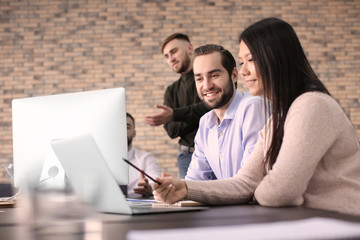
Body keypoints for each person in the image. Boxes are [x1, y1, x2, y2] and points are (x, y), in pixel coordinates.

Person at [153, 18, 360, 216]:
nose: (244, 72)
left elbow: (279, 191)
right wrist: (184, 188)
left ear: (277, 58)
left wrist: (256, 192)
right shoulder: (277, 119)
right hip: (310, 222)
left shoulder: (311, 104)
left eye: (251, 60)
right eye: (242, 62)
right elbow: (245, 183)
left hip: (341, 223)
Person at [185, 44, 268, 180]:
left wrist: (187, 189)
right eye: (199, 79)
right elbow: (194, 179)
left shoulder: (252, 107)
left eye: (214, 75)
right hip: (231, 200)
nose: (206, 86)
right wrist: (172, 189)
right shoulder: (205, 122)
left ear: (234, 75)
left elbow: (250, 181)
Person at [145, 33, 210, 179]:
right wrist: (197, 114)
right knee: (189, 201)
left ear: (190, 48)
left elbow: (210, 107)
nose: (171, 59)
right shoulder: (171, 90)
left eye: (174, 51)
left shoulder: (207, 79)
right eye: (166, 56)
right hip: (186, 157)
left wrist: (175, 114)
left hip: (214, 152)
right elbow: (171, 131)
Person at [126, 112, 161, 198]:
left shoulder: (146, 159)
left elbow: (155, 182)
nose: (122, 131)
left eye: (127, 127)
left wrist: (149, 188)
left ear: (134, 133)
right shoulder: (100, 159)